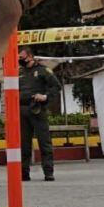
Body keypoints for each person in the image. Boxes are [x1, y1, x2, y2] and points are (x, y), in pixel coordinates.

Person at [18, 48, 60, 182]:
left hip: (37, 109)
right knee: (24, 144)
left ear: (30, 56)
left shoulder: (43, 70)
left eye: (22, 57)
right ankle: (24, 173)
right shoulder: (18, 72)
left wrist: (45, 96)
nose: (20, 59)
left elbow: (56, 86)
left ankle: (48, 172)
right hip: (22, 110)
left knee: (44, 142)